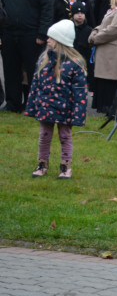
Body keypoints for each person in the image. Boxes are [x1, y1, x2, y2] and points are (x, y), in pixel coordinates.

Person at [25, 20, 88, 179]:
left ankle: (65, 166)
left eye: (51, 38)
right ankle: (42, 164)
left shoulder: (74, 64)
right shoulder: (43, 60)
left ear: (60, 41)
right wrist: (32, 105)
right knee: (44, 135)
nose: (48, 40)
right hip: (46, 107)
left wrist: (78, 114)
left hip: (64, 109)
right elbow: (35, 84)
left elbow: (80, 92)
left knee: (65, 136)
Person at [1, 0, 53, 113]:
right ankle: (13, 104)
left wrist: (42, 34)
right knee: (10, 71)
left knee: (33, 71)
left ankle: (34, 104)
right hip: (8, 35)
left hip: (32, 35)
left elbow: (47, 10)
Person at [69, 0, 94, 91]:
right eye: (77, 13)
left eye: (82, 13)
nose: (80, 15)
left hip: (84, 63)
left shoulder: (89, 30)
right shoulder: (69, 28)